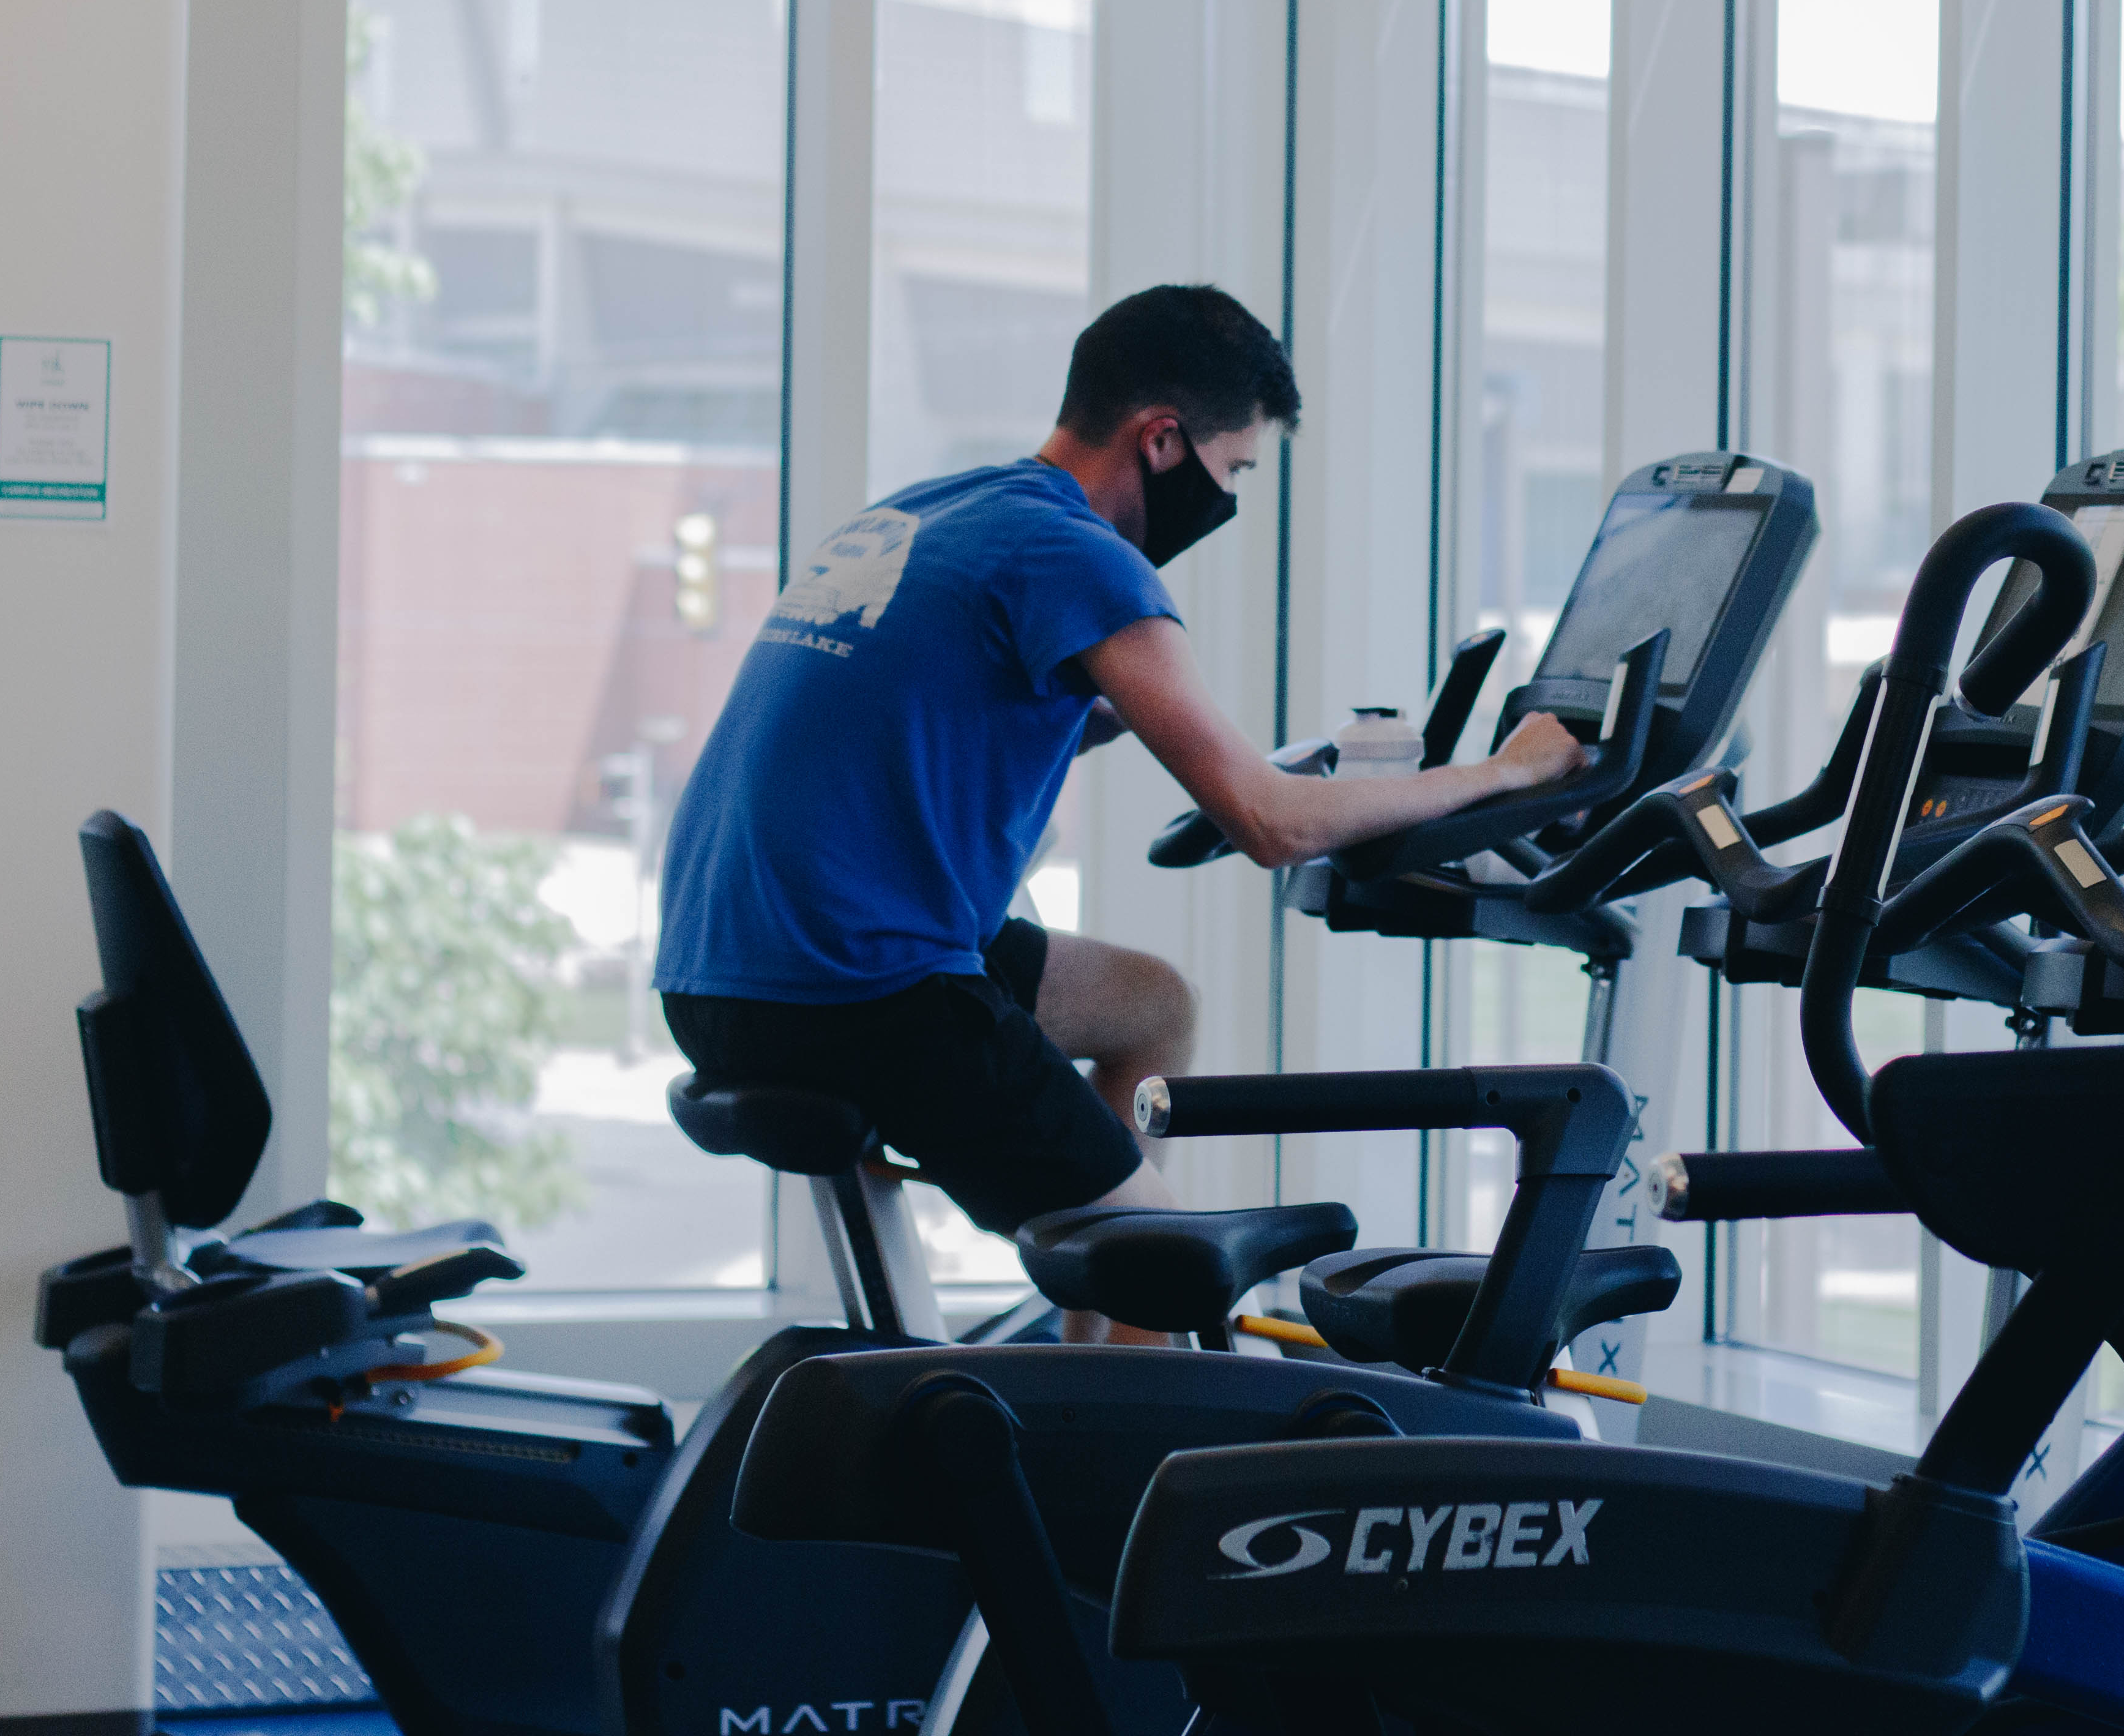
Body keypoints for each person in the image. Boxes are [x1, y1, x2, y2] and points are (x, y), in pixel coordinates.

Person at [655, 283, 1586, 1339]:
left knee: (1152, 1004)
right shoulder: (1078, 557)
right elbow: (1271, 823)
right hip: (866, 995)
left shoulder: (936, 512)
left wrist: (1102, 728)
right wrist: (1509, 772)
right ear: (1161, 441)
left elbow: (931, 713)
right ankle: (1125, 1430)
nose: (1227, 499)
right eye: (1231, 470)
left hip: (722, 981)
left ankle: (1081, 1364)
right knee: (1172, 1270)